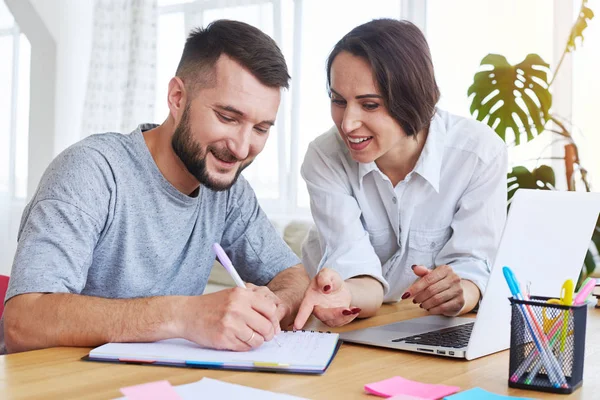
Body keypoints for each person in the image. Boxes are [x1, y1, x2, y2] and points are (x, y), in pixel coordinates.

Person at [2, 20, 310, 354]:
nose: (241, 148)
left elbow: (292, 276)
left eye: (261, 128)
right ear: (177, 97)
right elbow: (23, 321)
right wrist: (183, 315)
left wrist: (270, 310)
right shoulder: (91, 172)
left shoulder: (227, 191)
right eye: (227, 117)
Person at [293, 19, 507, 329]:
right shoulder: (325, 157)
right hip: (349, 322)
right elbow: (357, 275)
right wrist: (340, 294)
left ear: (413, 98)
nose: (348, 123)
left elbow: (474, 266)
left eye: (369, 105)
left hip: (424, 324)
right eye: (338, 101)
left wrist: (460, 292)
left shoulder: (478, 154)